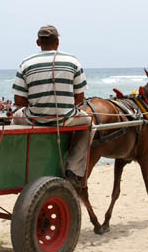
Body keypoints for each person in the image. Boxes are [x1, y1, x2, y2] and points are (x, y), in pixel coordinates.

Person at [11, 25, 91, 187]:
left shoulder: (26, 63)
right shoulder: (72, 61)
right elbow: (79, 97)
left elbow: (18, 100)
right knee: (89, 123)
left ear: (38, 42)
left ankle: (17, 161)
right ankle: (73, 169)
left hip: (34, 119)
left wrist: (37, 107)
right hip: (65, 119)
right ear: (57, 42)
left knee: (14, 119)